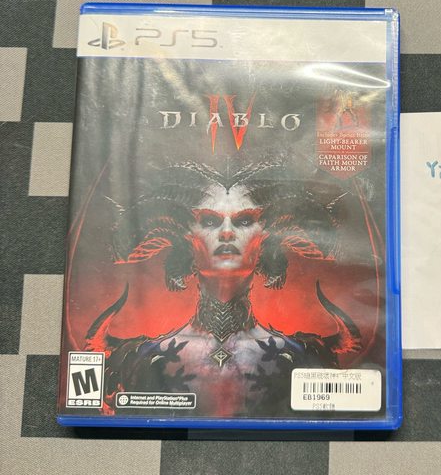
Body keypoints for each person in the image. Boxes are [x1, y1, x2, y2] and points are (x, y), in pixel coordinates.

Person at [86, 162, 360, 417]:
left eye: (243, 221)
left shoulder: (302, 357)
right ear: (187, 238)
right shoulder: (141, 359)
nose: (226, 232)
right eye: (209, 221)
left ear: (265, 239)